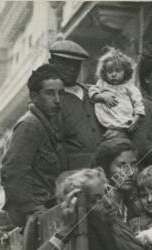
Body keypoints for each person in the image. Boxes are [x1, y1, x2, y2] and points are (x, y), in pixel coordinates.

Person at [1, 64, 64, 228]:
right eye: (50, 93)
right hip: (34, 213)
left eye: (60, 93)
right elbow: (12, 171)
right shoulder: (30, 125)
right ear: (34, 96)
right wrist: (30, 211)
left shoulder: (46, 125)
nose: (57, 100)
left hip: (45, 207)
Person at [49, 39, 106, 170]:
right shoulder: (49, 100)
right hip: (72, 175)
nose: (71, 69)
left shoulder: (94, 92)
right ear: (51, 63)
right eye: (64, 63)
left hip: (104, 173)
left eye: (76, 64)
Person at [89, 47, 145, 141]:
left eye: (118, 71)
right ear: (104, 73)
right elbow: (92, 92)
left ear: (125, 72)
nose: (114, 74)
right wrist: (102, 97)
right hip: (106, 121)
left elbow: (138, 103)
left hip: (124, 122)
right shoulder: (103, 84)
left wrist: (137, 118)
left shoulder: (129, 87)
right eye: (110, 72)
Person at [91, 137, 141, 222]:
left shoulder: (132, 206)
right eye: (122, 165)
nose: (130, 172)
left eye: (133, 164)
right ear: (105, 168)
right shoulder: (97, 208)